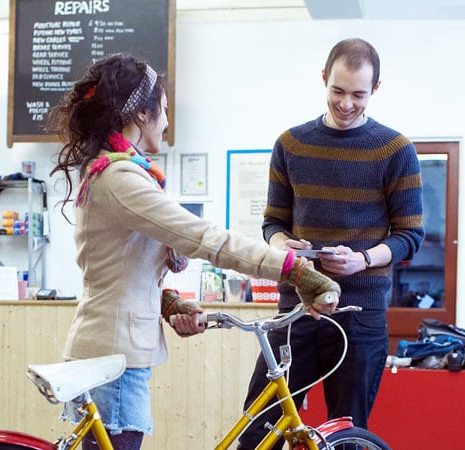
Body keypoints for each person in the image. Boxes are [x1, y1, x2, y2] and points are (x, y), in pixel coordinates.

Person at [47, 53, 341, 450]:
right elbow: (207, 239)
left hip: (107, 349)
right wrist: (296, 270)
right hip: (114, 359)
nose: (167, 121)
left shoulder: (107, 172)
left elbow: (115, 271)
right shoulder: (120, 178)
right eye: (164, 110)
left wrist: (168, 304)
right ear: (141, 115)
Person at [237, 38, 425, 449]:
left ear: (375, 88)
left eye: (358, 94)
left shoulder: (395, 150)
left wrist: (361, 260)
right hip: (296, 310)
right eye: (337, 91)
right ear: (323, 78)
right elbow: (273, 223)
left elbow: (410, 236)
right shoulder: (291, 144)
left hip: (359, 315)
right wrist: (286, 243)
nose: (346, 103)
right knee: (259, 427)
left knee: (348, 436)